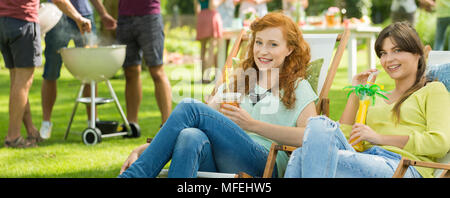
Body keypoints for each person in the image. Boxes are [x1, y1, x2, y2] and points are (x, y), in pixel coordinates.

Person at [118, 12, 318, 178]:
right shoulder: (242, 80)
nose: (263, 51)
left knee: (189, 106)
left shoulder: (297, 86)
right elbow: (190, 121)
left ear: (289, 49)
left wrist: (253, 126)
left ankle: (135, 175)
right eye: (259, 42)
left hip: (265, 164)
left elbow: (310, 137)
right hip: (224, 159)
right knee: (190, 135)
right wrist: (140, 151)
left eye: (273, 45)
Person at [284, 22, 450, 178]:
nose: (388, 59)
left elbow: (439, 142)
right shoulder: (374, 96)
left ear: (417, 54)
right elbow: (347, 137)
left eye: (397, 50)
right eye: (383, 53)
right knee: (314, 131)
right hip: (365, 157)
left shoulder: (433, 90)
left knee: (305, 156)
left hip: (402, 165)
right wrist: (356, 93)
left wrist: (379, 138)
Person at [0, 0, 91, 148]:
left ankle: (30, 130)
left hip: (3, 21)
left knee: (17, 81)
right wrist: (78, 17)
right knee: (23, 83)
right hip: (23, 21)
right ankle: (13, 137)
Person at [40, 0, 117, 139]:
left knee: (90, 70)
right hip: (57, 16)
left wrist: (103, 13)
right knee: (51, 71)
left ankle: (92, 121)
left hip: (85, 14)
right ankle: (46, 123)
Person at [116, 0, 172, 128]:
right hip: (124, 18)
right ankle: (132, 125)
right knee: (130, 71)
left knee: (157, 71)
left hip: (149, 16)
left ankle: (167, 125)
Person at [194, 0, 223, 84]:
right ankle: (207, 77)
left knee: (202, 50)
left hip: (201, 17)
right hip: (211, 17)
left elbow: (197, 10)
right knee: (211, 49)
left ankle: (202, 76)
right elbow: (212, 5)